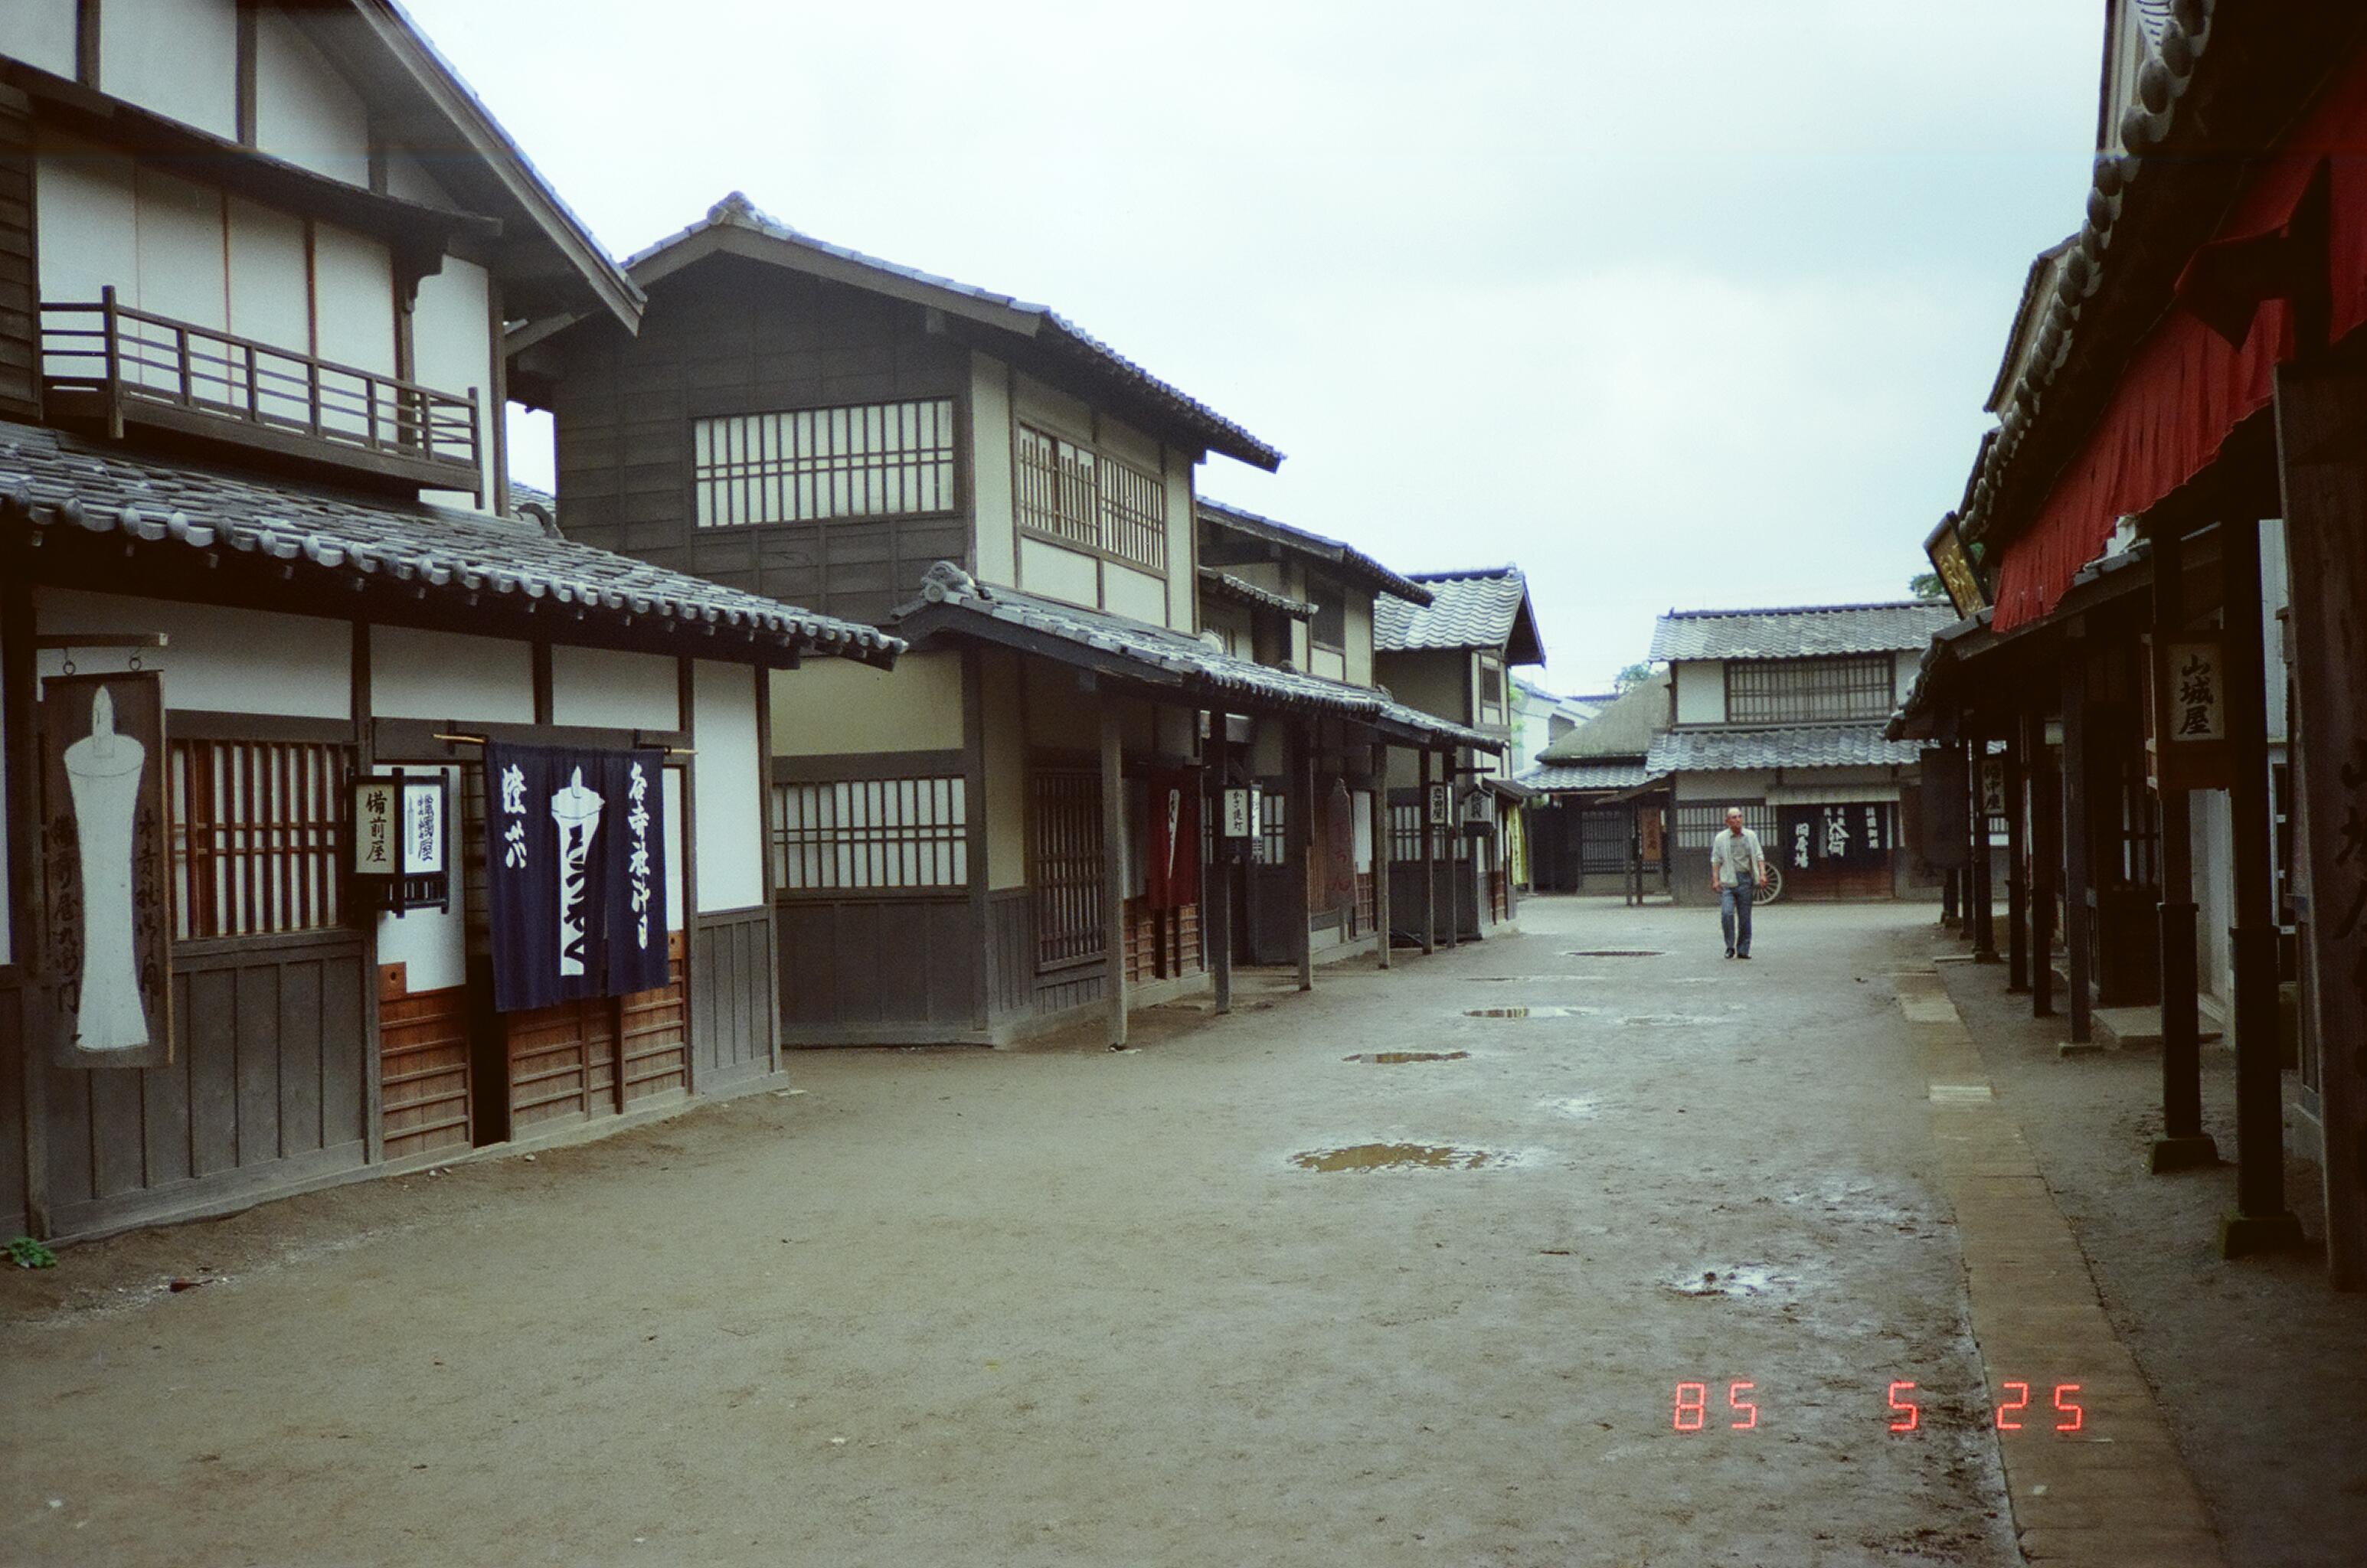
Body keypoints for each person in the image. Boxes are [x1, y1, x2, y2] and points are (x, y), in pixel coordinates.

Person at [1708, 806, 1767, 959]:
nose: (1737, 820)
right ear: (1727, 821)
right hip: (1727, 879)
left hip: (1745, 879)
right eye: (1733, 817)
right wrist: (1715, 880)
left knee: (1745, 917)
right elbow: (1715, 860)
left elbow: (1759, 856)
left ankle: (1743, 949)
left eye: (1740, 816)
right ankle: (1729, 946)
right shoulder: (1721, 838)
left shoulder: (1750, 836)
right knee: (1727, 913)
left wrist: (1762, 874)